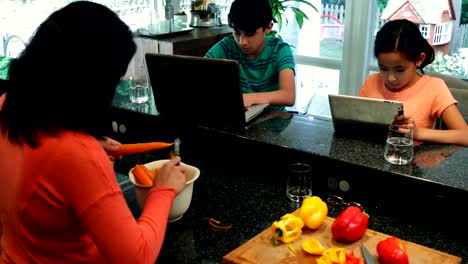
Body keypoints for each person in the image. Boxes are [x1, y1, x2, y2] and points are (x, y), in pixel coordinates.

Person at [0, 1, 187, 263]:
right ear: (90, 83)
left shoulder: (8, 104)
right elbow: (137, 257)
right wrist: (163, 190)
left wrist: (89, 143)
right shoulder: (77, 154)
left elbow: (40, 174)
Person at [358, 19, 468, 146]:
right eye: (383, 68)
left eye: (400, 70)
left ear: (419, 59)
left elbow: (465, 136)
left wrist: (417, 133)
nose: (390, 78)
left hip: (413, 160)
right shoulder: (372, 81)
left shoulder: (434, 87)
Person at [204, 0, 296, 111]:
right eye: (237, 33)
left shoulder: (280, 50)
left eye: (250, 34)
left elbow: (289, 96)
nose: (242, 42)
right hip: (239, 118)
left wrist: (248, 98)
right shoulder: (226, 47)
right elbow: (197, 77)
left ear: (268, 28)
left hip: (274, 119)